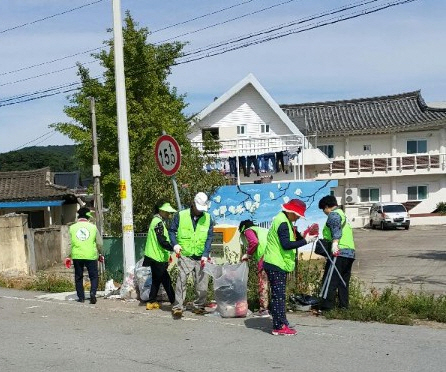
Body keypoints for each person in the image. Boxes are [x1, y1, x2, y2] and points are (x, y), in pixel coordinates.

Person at [263, 199, 318, 336]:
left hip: (277, 263)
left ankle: (282, 322)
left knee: (279, 295)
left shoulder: (284, 220)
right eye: (298, 214)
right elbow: (286, 245)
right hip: (276, 263)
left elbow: (292, 238)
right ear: (292, 212)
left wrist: (304, 235)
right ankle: (278, 326)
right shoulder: (282, 223)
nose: (299, 217)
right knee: (278, 296)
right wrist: (305, 241)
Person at [169, 192, 214, 317]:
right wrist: (175, 244)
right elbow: (171, 231)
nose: (200, 211)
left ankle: (199, 306)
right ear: (193, 204)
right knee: (181, 280)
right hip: (185, 255)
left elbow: (210, 237)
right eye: (198, 208)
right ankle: (178, 307)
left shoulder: (208, 218)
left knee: (202, 283)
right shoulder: (180, 216)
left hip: (201, 256)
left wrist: (206, 253)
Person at [317, 195, 355, 312]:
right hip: (350, 252)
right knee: (343, 281)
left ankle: (327, 307)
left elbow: (336, 231)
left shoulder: (334, 215)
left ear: (327, 206)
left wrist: (334, 244)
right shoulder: (343, 214)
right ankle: (344, 307)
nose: (324, 212)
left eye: (324, 209)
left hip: (339, 252)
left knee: (330, 280)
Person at [143, 201, 177, 310]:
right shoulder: (158, 222)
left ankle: (151, 301)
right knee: (166, 281)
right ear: (161, 211)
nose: (169, 215)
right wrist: (173, 248)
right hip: (157, 257)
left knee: (156, 280)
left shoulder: (156, 221)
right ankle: (174, 301)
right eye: (167, 212)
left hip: (154, 256)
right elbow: (162, 240)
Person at [68, 207, 103, 304]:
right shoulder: (93, 227)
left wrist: (68, 256)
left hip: (77, 255)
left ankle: (81, 297)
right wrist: (100, 253)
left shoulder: (72, 227)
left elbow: (69, 243)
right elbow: (99, 243)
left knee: (78, 277)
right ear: (88, 216)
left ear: (78, 216)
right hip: (91, 255)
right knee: (93, 276)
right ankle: (92, 293)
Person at [239, 219, 270, 318]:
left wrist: (248, 254)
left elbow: (254, 242)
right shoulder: (263, 230)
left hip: (265, 258)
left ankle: (264, 310)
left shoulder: (248, 230)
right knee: (274, 284)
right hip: (275, 258)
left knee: (263, 284)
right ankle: (275, 308)